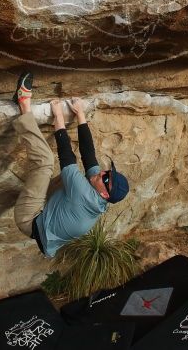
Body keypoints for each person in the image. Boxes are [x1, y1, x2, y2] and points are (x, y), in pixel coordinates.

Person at [10, 70, 130, 257]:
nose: (103, 174)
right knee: (75, 176)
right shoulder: (97, 195)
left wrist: (58, 116)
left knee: (45, 162)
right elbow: (89, 155)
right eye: (108, 172)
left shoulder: (84, 194)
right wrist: (80, 114)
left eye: (106, 179)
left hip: (29, 220)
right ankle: (32, 191)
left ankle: (22, 104)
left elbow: (66, 155)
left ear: (105, 193)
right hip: (47, 216)